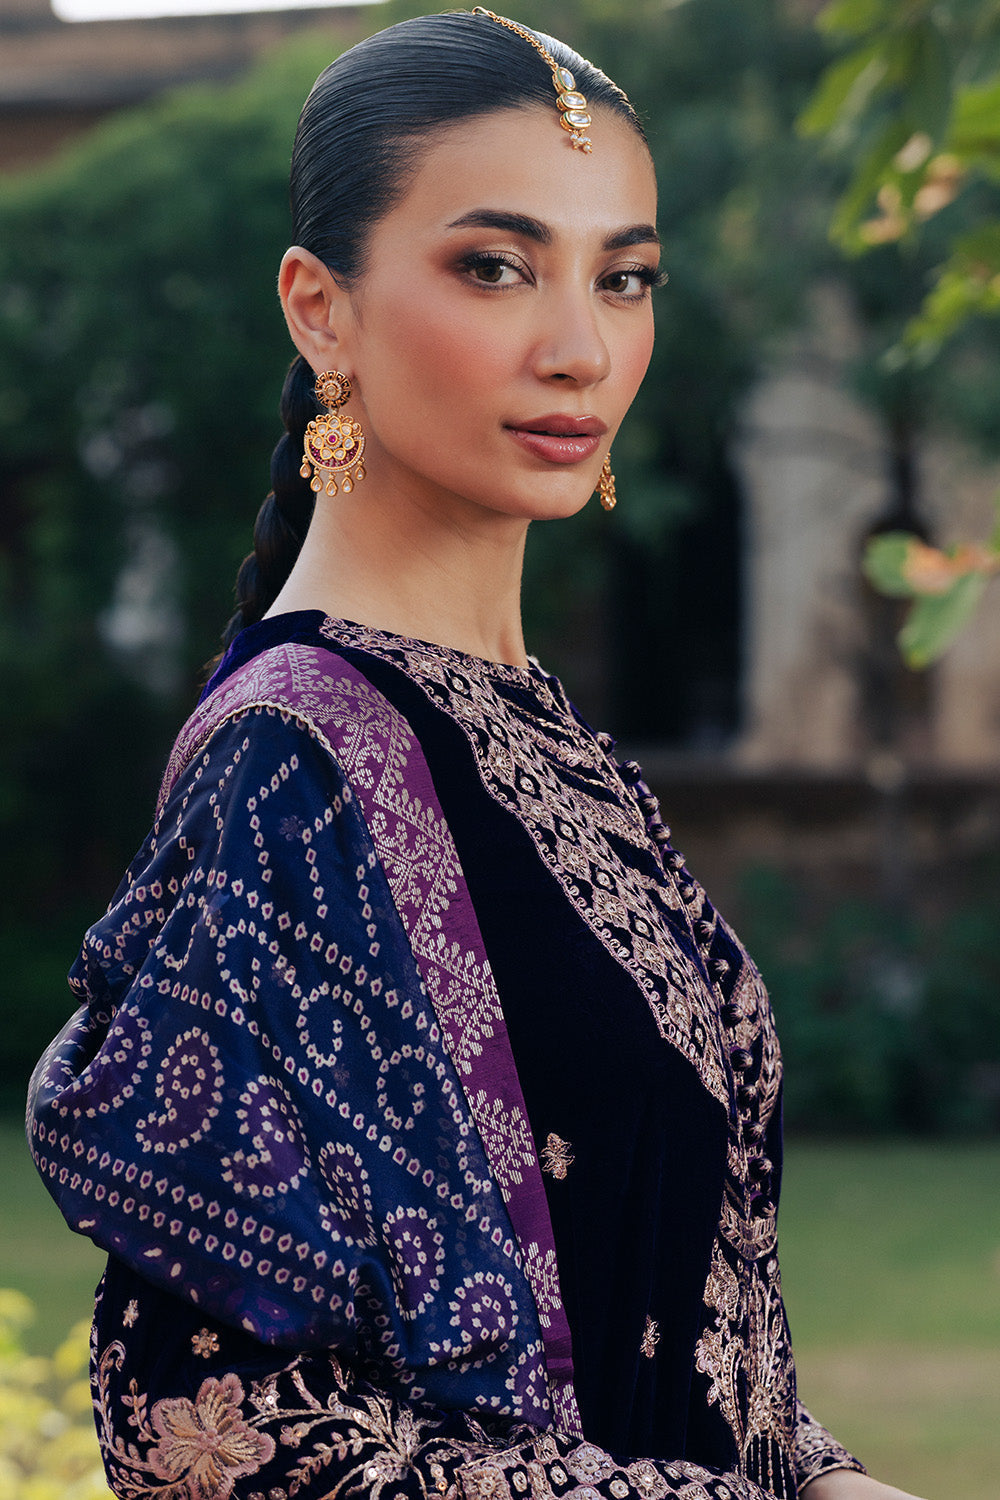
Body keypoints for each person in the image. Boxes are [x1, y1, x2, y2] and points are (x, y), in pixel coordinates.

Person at [28, 12, 926, 1500]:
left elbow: (677, 1317)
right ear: (320, 310)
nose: (582, 348)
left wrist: (822, 1478)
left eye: (623, 278)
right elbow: (213, 1436)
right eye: (497, 267)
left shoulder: (538, 728)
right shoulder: (295, 759)